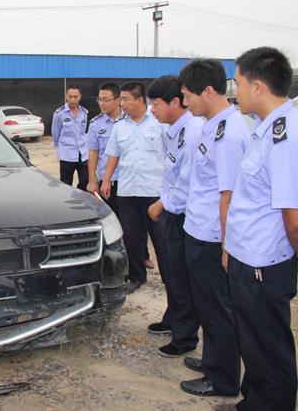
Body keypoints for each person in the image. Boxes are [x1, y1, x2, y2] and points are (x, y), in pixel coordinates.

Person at [225, 47, 298, 410]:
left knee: (269, 349)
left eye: (238, 83)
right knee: (254, 345)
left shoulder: (288, 136)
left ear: (257, 86)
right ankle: (253, 403)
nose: (236, 90)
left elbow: (296, 218)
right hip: (247, 256)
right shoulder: (265, 128)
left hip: (264, 263)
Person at [177, 59, 249, 398]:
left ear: (208, 91)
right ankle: (213, 360)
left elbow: (228, 195)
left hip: (213, 236)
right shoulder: (210, 126)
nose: (185, 102)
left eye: (188, 95)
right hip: (199, 228)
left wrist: (226, 245)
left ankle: (222, 379)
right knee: (206, 304)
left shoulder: (230, 133)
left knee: (218, 308)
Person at [146, 75, 203, 356]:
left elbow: (187, 181)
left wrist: (161, 204)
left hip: (183, 215)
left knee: (182, 278)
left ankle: (184, 338)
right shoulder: (173, 131)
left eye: (156, 104)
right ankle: (174, 320)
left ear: (175, 102)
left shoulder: (192, 132)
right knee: (172, 272)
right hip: (173, 212)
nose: (153, 110)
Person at [100, 82, 169, 294]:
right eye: (120, 99)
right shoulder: (120, 126)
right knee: (131, 237)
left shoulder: (159, 124)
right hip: (128, 190)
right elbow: (114, 154)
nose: (122, 103)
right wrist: (106, 180)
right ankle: (137, 276)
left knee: (161, 239)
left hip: (154, 191)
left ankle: (170, 277)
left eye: (125, 99)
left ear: (140, 100)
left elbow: (171, 157)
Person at [87, 83, 122, 213]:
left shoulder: (129, 120)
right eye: (100, 99)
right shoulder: (95, 124)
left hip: (129, 180)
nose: (102, 103)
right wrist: (92, 180)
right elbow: (93, 153)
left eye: (106, 100)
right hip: (108, 182)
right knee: (111, 218)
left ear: (118, 100)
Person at [52, 85, 90, 190]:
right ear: (66, 96)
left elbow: (83, 132)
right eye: (70, 96)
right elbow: (55, 133)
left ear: (80, 97)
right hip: (67, 154)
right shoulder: (59, 113)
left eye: (75, 96)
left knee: (85, 181)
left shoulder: (84, 112)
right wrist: (61, 147)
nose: (72, 99)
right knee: (66, 184)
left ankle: (78, 195)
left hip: (83, 153)